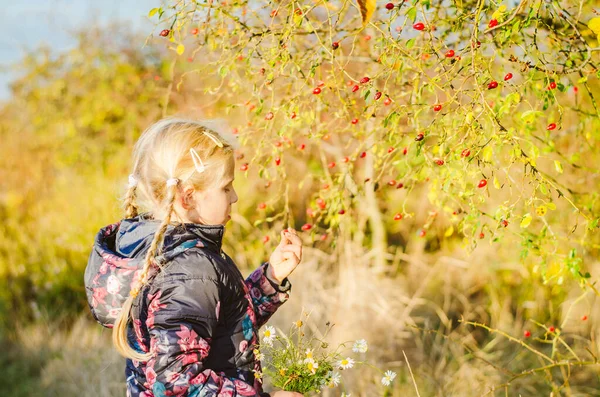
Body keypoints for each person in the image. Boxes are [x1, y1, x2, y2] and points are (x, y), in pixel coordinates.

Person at [85, 118, 304, 397]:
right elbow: (177, 383)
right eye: (226, 187)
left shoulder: (155, 248)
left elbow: (222, 324)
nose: (234, 196)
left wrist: (270, 279)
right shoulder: (189, 269)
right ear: (188, 197)